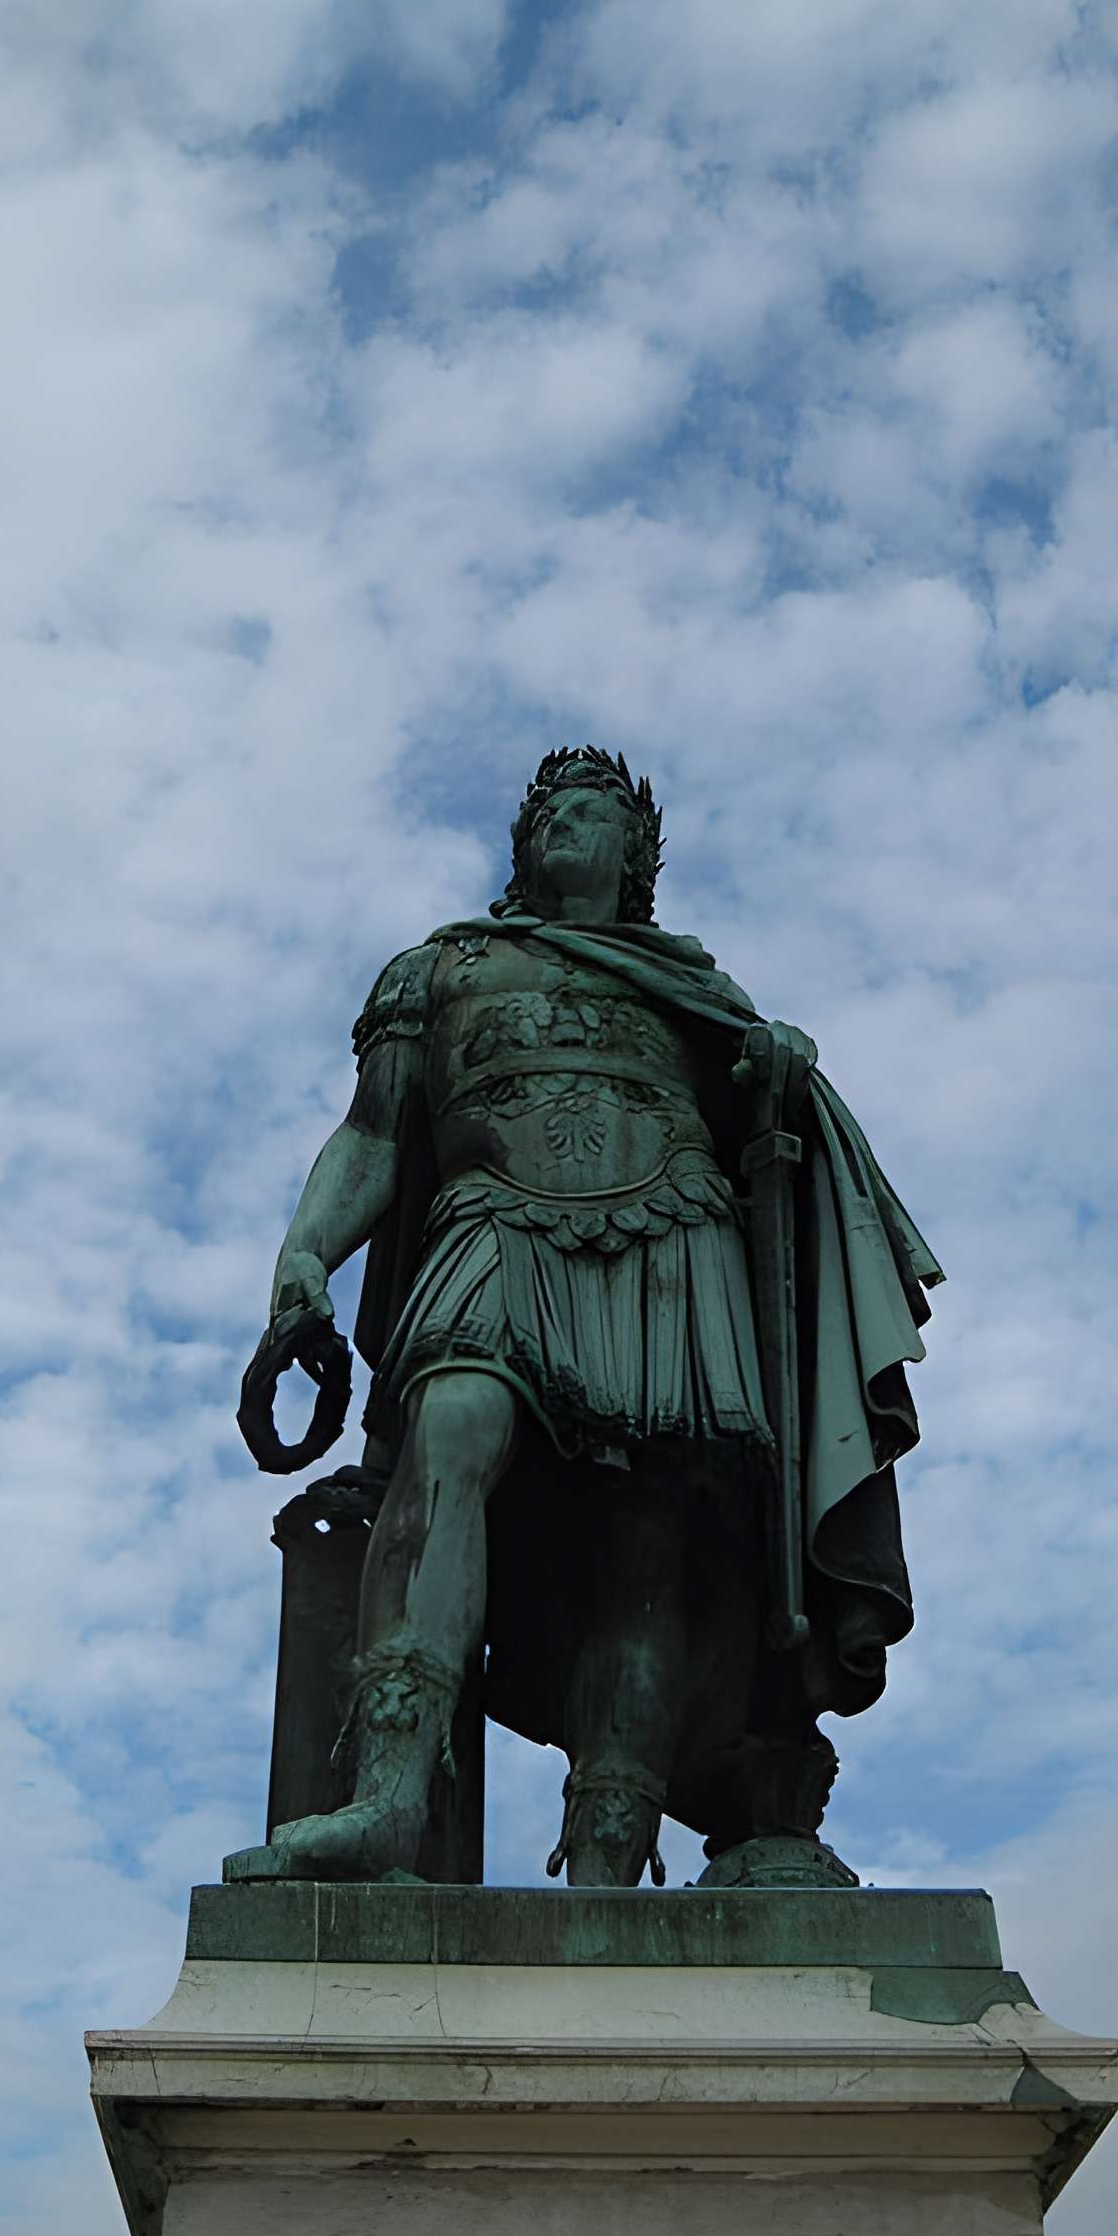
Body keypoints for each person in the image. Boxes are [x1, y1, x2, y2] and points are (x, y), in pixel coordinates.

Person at [249, 747, 942, 1886]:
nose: (566, 824)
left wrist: (778, 1074)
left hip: (674, 1238)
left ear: (635, 856)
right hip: (493, 1226)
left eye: (592, 811)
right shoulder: (441, 968)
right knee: (451, 1429)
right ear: (522, 849)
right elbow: (374, 1135)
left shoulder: (692, 992)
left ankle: (608, 1869)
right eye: (549, 814)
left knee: (648, 1542)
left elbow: (767, 1143)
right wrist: (305, 1254)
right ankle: (389, 1798)